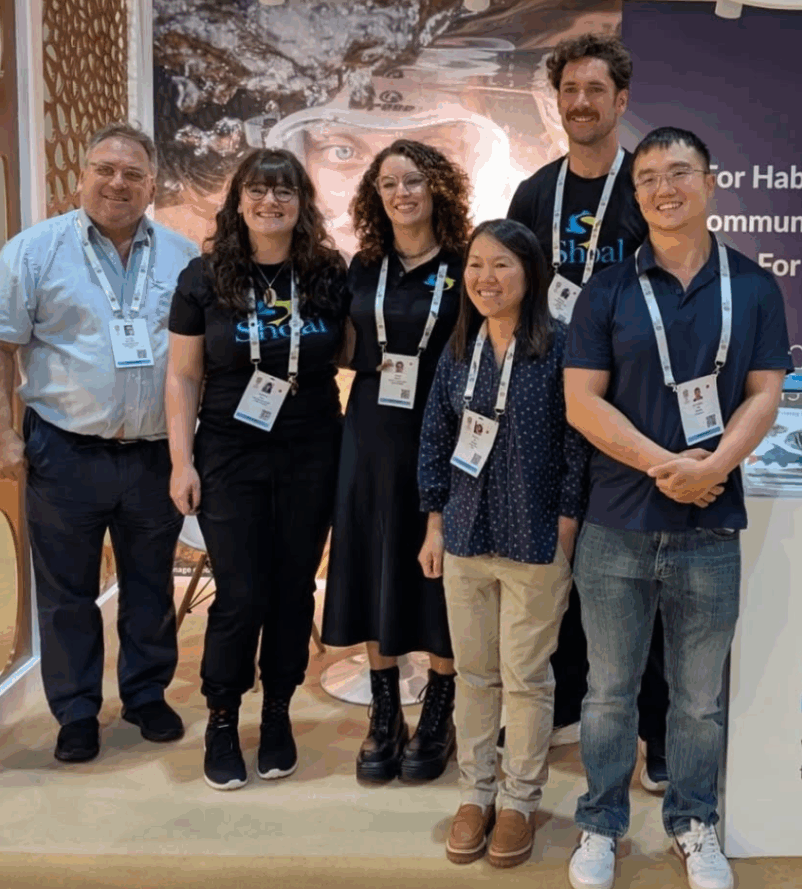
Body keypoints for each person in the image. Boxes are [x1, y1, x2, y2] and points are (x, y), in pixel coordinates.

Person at [563, 127, 792, 889]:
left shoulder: (754, 287)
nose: (665, 188)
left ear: (711, 182)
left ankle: (694, 824)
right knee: (607, 693)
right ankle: (600, 825)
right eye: (649, 178)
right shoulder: (608, 290)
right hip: (616, 524)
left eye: (680, 172)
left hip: (709, 526)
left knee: (697, 701)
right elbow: (581, 402)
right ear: (636, 195)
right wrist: (666, 467)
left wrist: (715, 468)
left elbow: (764, 393)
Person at [0, 122, 198, 763]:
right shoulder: (34, 252)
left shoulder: (183, 257)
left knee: (150, 584)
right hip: (64, 451)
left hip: (154, 454)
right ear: (81, 176)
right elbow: (3, 345)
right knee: (67, 593)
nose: (118, 183)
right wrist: (3, 432)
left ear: (152, 185)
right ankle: (77, 711)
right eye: (104, 170)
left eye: (133, 174)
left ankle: (145, 695)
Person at [506, 33, 667, 784]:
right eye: (569, 90)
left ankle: (657, 729)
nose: (581, 102)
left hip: (630, 407)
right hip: (549, 403)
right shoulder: (534, 194)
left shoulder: (646, 188)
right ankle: (565, 697)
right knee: (556, 560)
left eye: (595, 90)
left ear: (620, 101)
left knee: (642, 570)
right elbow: (510, 296)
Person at [165, 148, 349, 790]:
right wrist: (180, 463)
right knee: (241, 592)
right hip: (228, 452)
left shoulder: (327, 272)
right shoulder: (203, 276)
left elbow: (350, 350)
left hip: (311, 451)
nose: (271, 201)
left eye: (285, 191)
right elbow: (183, 376)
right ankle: (222, 716)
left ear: (302, 203)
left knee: (294, 588)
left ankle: (277, 710)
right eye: (258, 190)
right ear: (238, 200)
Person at [417, 218, 588, 869]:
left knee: (527, 678)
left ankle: (519, 800)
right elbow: (435, 436)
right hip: (466, 533)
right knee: (474, 674)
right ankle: (476, 793)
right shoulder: (460, 347)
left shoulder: (559, 347)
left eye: (502, 265)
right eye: (476, 265)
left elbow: (578, 447)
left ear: (531, 273)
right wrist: (434, 524)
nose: (486, 278)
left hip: (535, 540)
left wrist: (565, 530)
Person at [320, 139, 472, 783]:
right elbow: (341, 345)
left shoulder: (466, 263)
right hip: (372, 431)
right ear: (374, 196)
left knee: (440, 574)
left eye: (413, 180)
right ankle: (384, 714)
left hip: (445, 431)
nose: (402, 193)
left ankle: (439, 713)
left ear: (437, 188)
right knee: (373, 561)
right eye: (388, 184)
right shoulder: (363, 266)